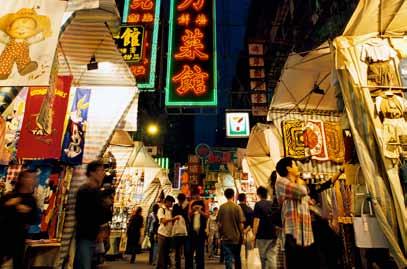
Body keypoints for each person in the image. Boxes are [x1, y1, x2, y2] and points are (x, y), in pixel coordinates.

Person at [275, 157, 314, 269]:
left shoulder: (296, 183)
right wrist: (300, 182)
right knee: (295, 263)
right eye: (295, 165)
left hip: (305, 234)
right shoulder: (281, 182)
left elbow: (308, 199)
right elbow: (302, 191)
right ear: (288, 168)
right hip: (292, 232)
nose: (297, 167)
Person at [0, 169, 38, 269]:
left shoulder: (31, 200)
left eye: (34, 178)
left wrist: (27, 212)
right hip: (3, 238)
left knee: (18, 264)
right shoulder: (10, 196)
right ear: (23, 179)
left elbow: (34, 219)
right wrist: (8, 205)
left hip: (19, 240)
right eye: (31, 177)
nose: (34, 180)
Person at [74, 160, 107, 269]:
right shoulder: (86, 190)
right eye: (101, 170)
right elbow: (83, 215)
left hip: (93, 237)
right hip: (86, 236)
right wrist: (99, 228)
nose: (103, 173)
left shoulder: (97, 191)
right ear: (92, 173)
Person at [217, 188, 245, 269]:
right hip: (236, 237)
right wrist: (242, 235)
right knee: (237, 257)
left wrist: (220, 234)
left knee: (228, 258)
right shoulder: (237, 207)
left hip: (225, 237)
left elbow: (219, 224)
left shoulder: (222, 207)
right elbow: (241, 224)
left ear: (225, 196)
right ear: (233, 195)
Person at [252, 186, 277, 269]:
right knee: (272, 257)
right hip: (273, 234)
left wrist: (254, 234)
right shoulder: (272, 204)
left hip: (262, 235)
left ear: (258, 194)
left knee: (262, 257)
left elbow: (256, 220)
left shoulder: (258, 205)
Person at [157, 195, 178, 269]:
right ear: (167, 202)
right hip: (162, 234)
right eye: (171, 202)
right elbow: (163, 221)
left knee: (166, 254)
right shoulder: (161, 210)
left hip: (169, 235)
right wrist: (173, 219)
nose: (172, 204)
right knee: (161, 254)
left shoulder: (170, 211)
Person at [172, 193, 191, 269]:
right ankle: (178, 266)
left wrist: (182, 208)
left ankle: (185, 266)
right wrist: (182, 208)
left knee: (186, 251)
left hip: (185, 231)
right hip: (179, 231)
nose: (180, 201)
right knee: (178, 251)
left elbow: (185, 215)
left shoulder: (186, 206)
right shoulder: (177, 206)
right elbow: (175, 214)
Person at [190, 193, 209, 269]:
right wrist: (193, 209)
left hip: (201, 232)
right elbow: (189, 215)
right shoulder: (192, 203)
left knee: (200, 251)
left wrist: (200, 210)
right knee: (191, 250)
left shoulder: (204, 203)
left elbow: (207, 216)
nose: (196, 196)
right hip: (192, 232)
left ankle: (200, 266)